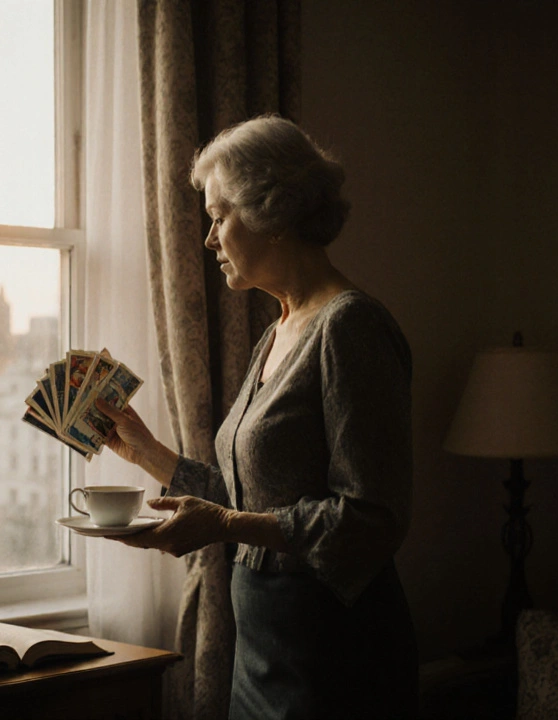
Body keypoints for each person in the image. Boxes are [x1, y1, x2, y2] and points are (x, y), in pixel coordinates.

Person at [95, 115, 418, 720]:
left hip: (336, 654)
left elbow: (372, 518)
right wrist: (146, 452)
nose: (209, 240)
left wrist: (223, 524)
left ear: (271, 210)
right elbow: (249, 497)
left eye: (219, 216)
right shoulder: (275, 334)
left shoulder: (350, 327)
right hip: (263, 651)